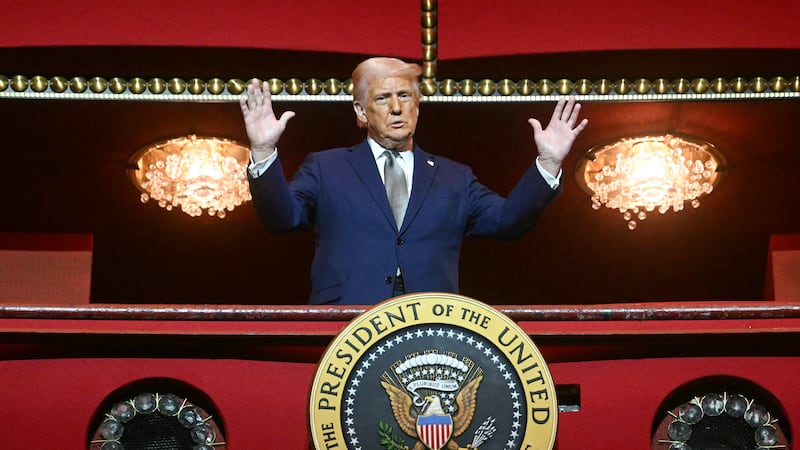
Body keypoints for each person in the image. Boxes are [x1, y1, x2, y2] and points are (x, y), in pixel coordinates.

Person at [240, 57, 587, 305]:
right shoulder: (326, 167)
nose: (396, 108)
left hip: (431, 325)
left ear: (418, 106)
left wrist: (548, 162)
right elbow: (281, 219)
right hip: (347, 324)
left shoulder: (455, 176)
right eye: (382, 98)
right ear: (361, 112)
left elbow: (508, 221)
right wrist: (264, 151)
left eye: (405, 96)